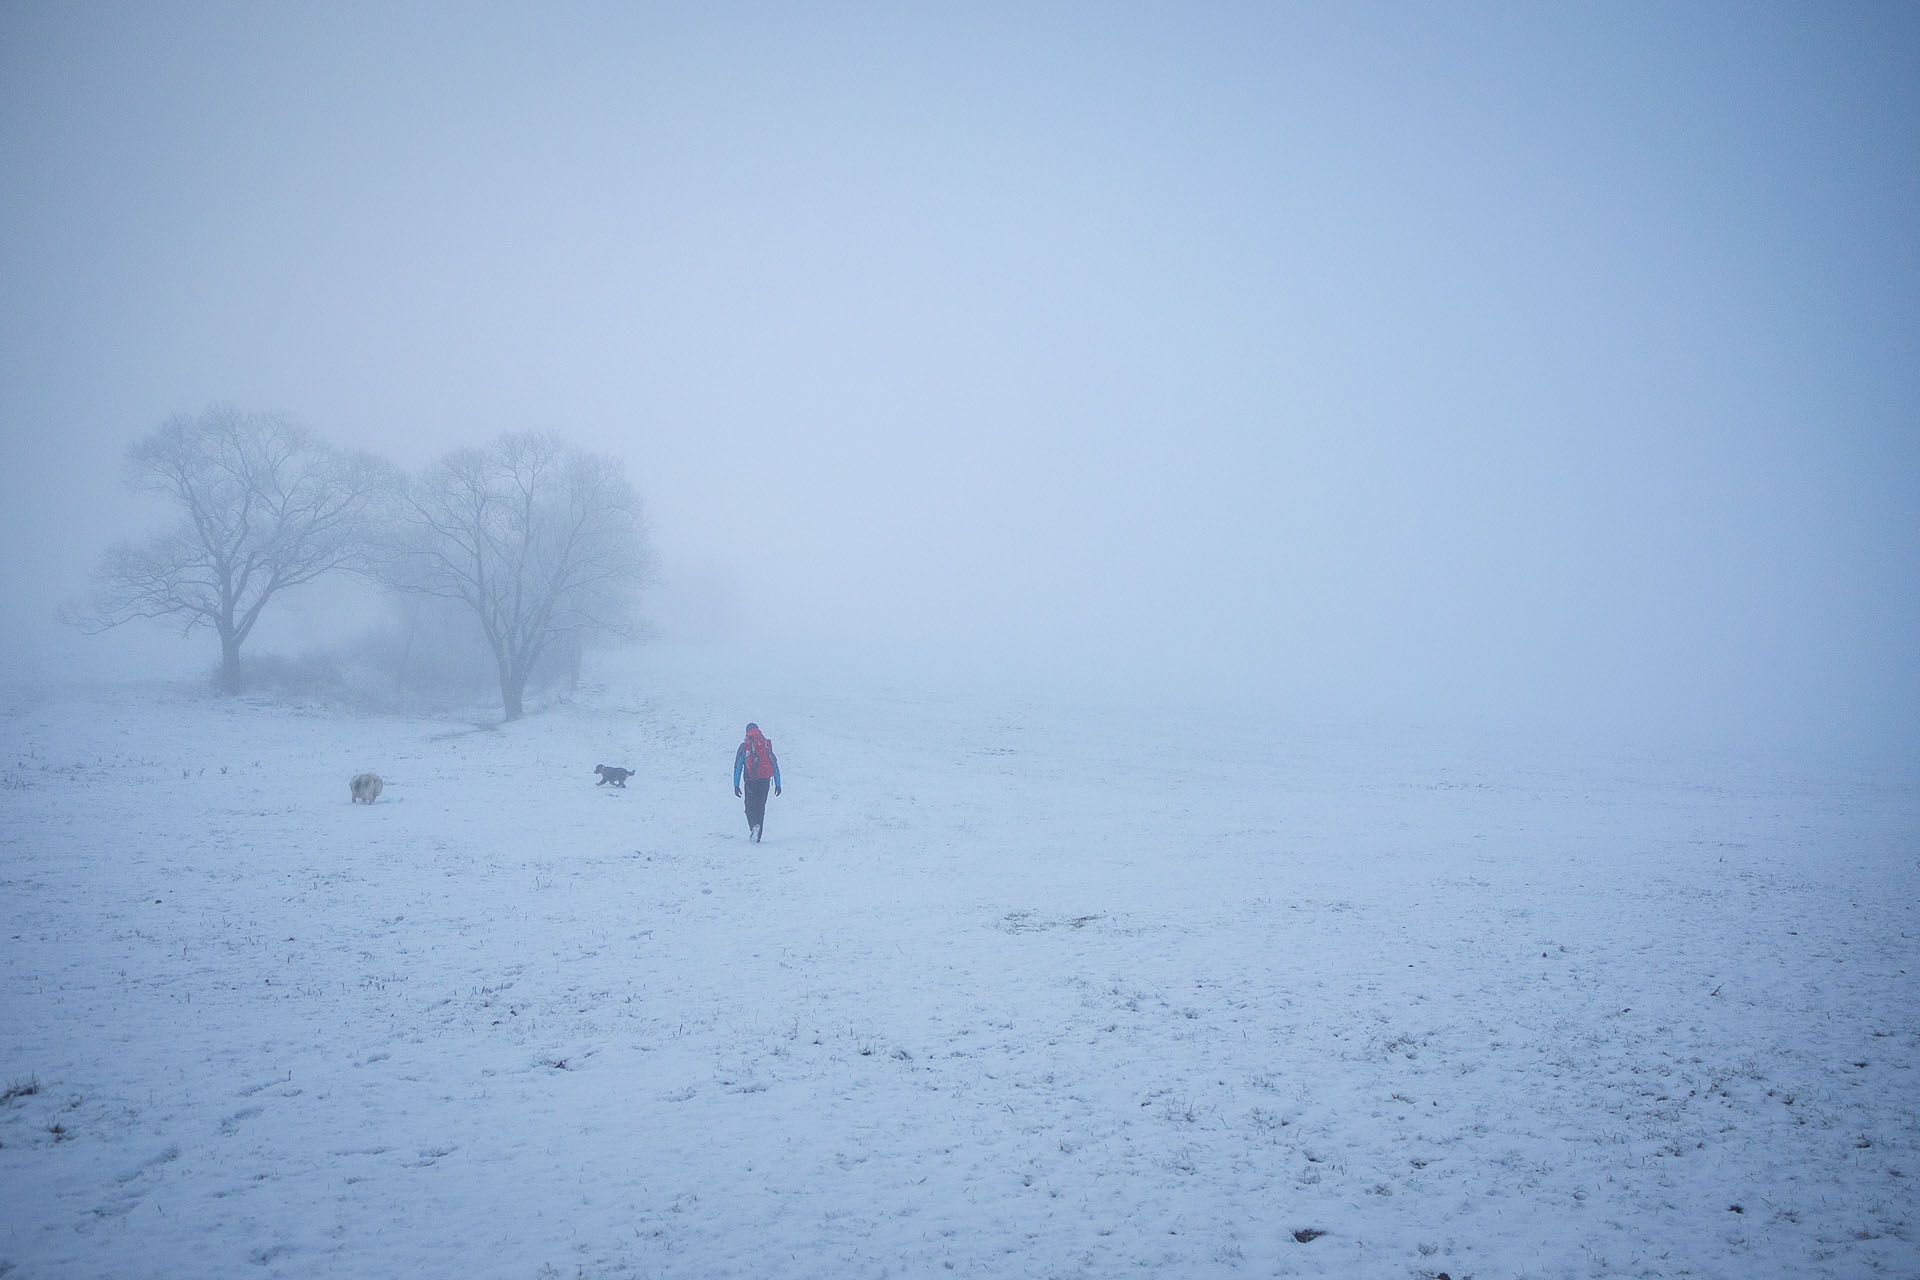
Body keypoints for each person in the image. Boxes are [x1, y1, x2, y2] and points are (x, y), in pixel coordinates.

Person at [732, 722, 781, 842]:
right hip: (765, 781)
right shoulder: (765, 745)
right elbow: (774, 765)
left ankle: (754, 827)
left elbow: (738, 767)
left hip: (750, 781)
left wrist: (736, 784)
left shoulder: (745, 746)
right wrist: (778, 784)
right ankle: (758, 836)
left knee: (749, 807)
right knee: (761, 808)